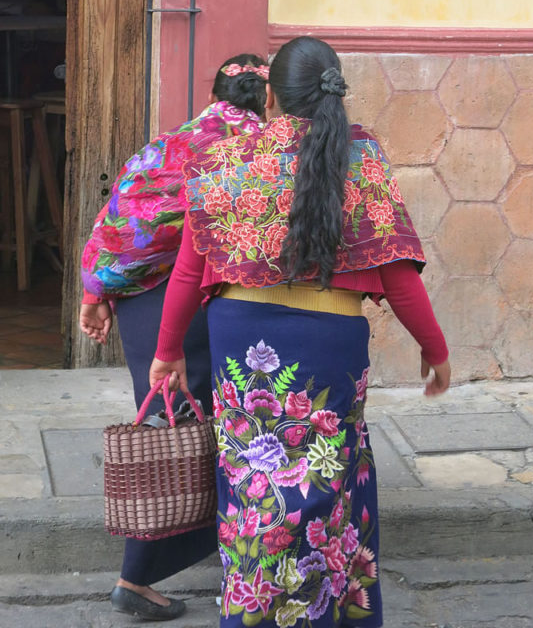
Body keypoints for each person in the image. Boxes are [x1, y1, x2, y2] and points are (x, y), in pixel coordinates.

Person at [149, 37, 450, 627]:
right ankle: (331, 611)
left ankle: (257, 615)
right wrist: (434, 350)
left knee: (255, 490)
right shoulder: (359, 157)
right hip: (329, 342)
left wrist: (166, 353)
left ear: (270, 94)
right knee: (330, 481)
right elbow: (396, 272)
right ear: (334, 88)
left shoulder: (226, 161)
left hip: (241, 336)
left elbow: (189, 268)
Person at [79, 54, 269, 622]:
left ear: (214, 94)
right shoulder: (259, 150)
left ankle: (166, 569)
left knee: (165, 429)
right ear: (268, 99)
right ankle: (140, 579)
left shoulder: (168, 146)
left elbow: (123, 219)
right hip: (191, 304)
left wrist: (98, 291)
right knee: (211, 432)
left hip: (142, 301)